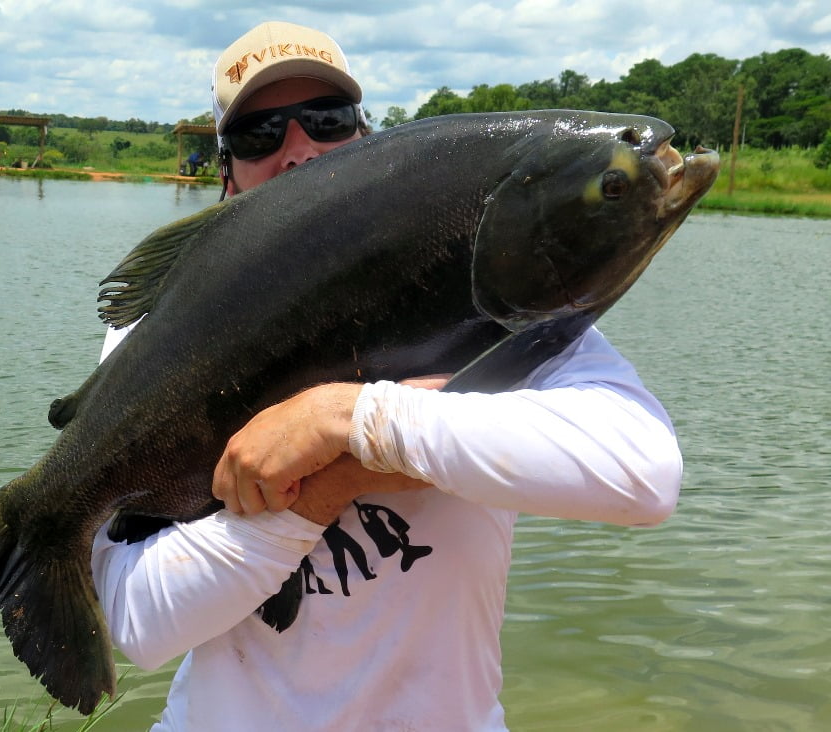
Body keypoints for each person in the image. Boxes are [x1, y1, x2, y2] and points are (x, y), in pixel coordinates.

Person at [91, 21, 681, 731]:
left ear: (369, 140)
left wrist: (352, 420)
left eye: (327, 120)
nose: (299, 149)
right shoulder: (160, 334)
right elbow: (141, 624)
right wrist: (331, 484)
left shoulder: (495, 308)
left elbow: (644, 474)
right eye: (258, 134)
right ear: (227, 168)